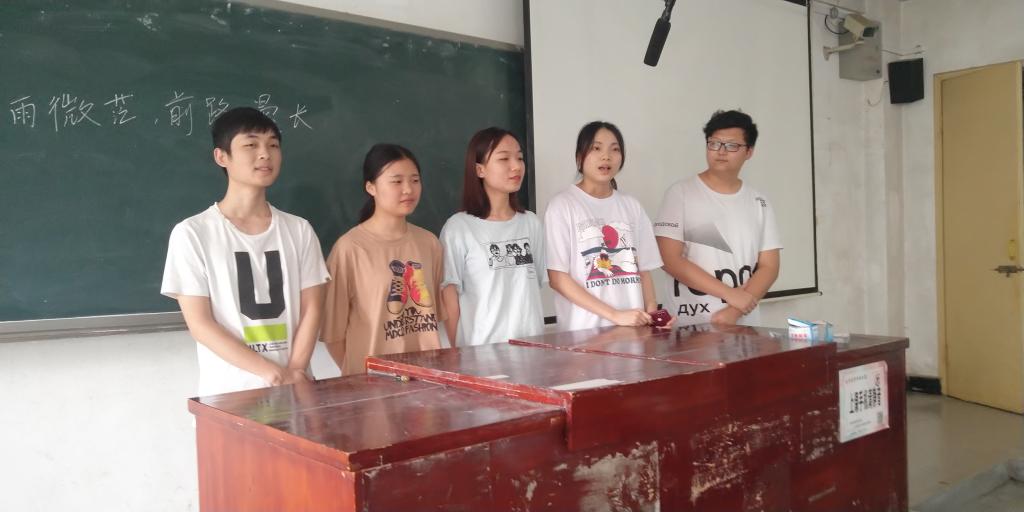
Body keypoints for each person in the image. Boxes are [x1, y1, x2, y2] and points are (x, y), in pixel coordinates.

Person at [161, 107, 329, 397]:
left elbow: (313, 307)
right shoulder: (193, 233)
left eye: (273, 145)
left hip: (297, 388)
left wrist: (295, 371)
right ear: (221, 157)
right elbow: (200, 324)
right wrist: (273, 374)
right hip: (232, 395)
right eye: (251, 145)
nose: (265, 154)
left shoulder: (299, 229)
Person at [321, 143, 445, 374]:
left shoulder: (430, 243)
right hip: (373, 384)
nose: (408, 189)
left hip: (427, 379)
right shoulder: (349, 249)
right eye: (396, 181)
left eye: (415, 180)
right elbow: (334, 336)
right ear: (371, 187)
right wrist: (360, 376)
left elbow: (432, 318)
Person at [654, 109, 782, 326]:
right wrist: (729, 294)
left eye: (732, 145)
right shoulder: (681, 193)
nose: (721, 151)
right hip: (690, 325)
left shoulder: (759, 202)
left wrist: (733, 312)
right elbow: (668, 258)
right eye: (714, 143)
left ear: (749, 151)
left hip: (742, 324)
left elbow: (769, 267)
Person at [545, 121, 670, 330]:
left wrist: (653, 315)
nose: (606, 156)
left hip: (633, 331)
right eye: (596, 148)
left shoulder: (632, 206)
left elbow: (644, 271)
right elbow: (557, 279)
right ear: (579, 157)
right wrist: (615, 315)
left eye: (614, 149)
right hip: (584, 335)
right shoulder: (562, 205)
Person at [439, 127, 546, 346]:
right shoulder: (459, 228)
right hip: (482, 352)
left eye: (519, 158)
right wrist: (454, 354)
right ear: (480, 170)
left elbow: (533, 287)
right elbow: (449, 300)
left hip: (533, 348)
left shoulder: (531, 223)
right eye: (504, 158)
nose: (516, 166)